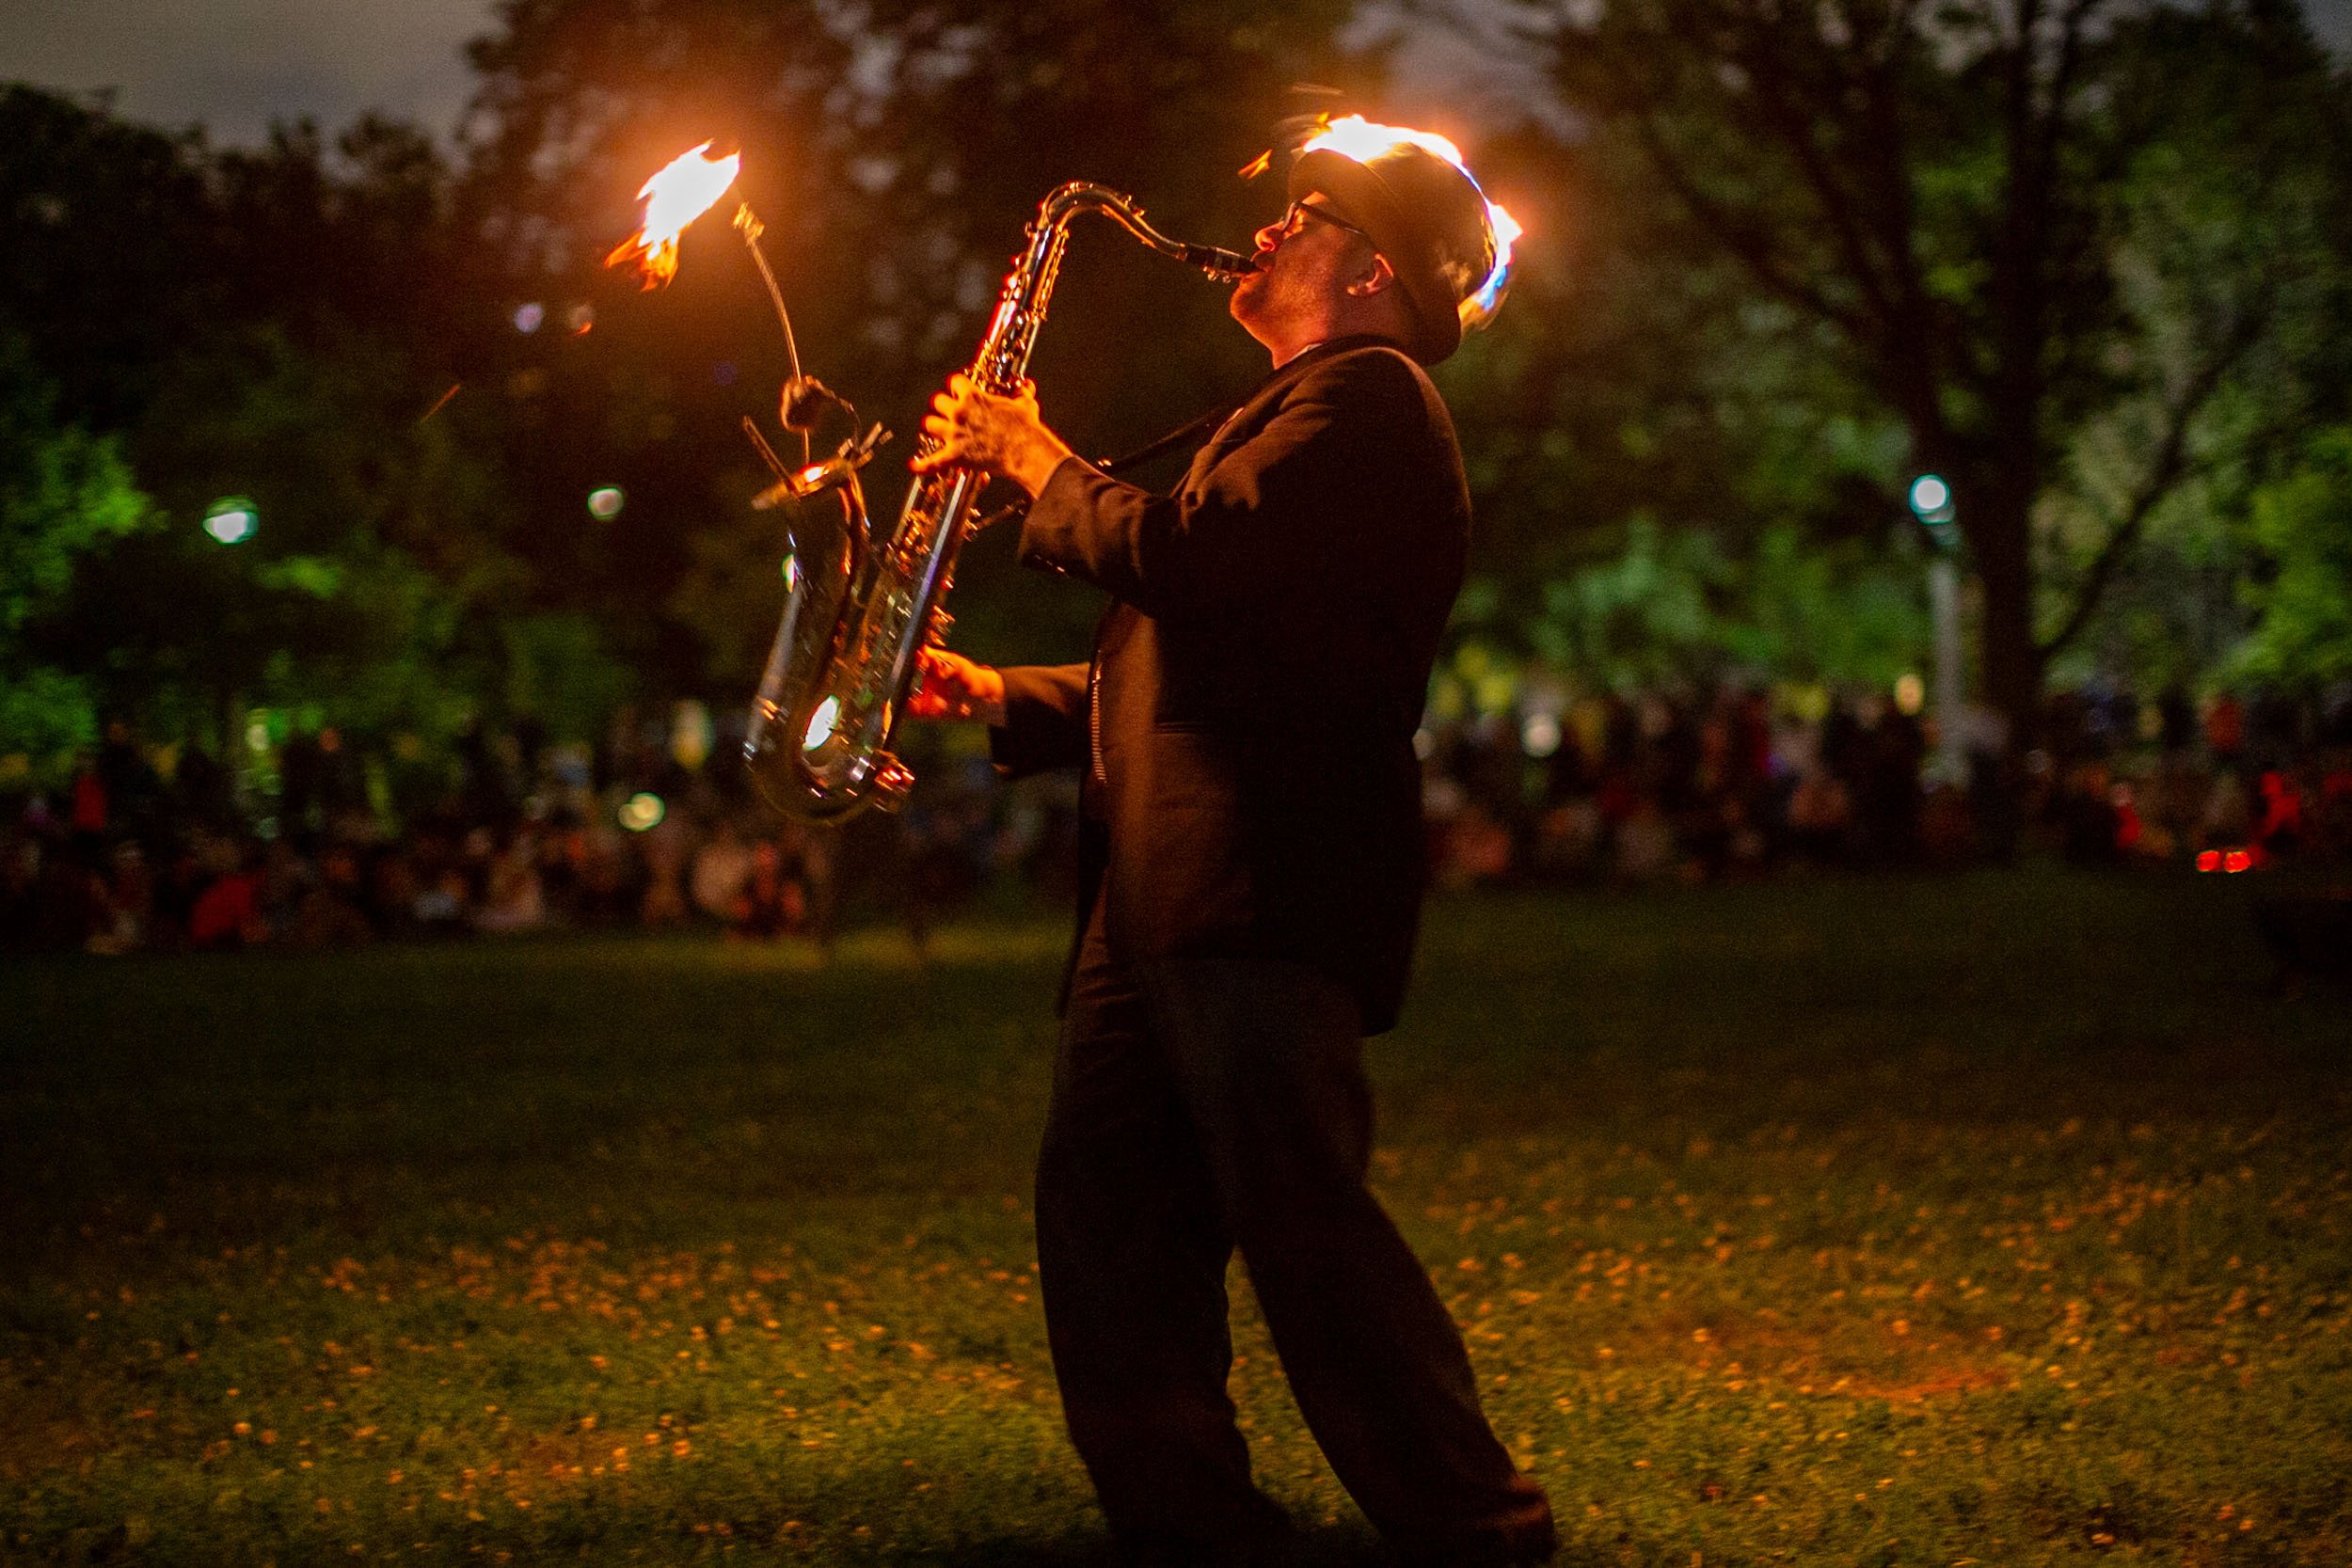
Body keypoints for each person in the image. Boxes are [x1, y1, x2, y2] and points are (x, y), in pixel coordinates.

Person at [906, 135, 1555, 1565]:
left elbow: (1197, 558)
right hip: (1169, 885)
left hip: (1257, 883)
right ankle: (1188, 1521)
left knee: (1303, 1224)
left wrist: (1032, 458)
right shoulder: (1299, 410)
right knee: (1110, 1224)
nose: (1263, 227)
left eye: (1302, 215)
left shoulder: (1371, 401)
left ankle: (1477, 1524)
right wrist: (997, 695)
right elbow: (1206, 652)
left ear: (1372, 268)